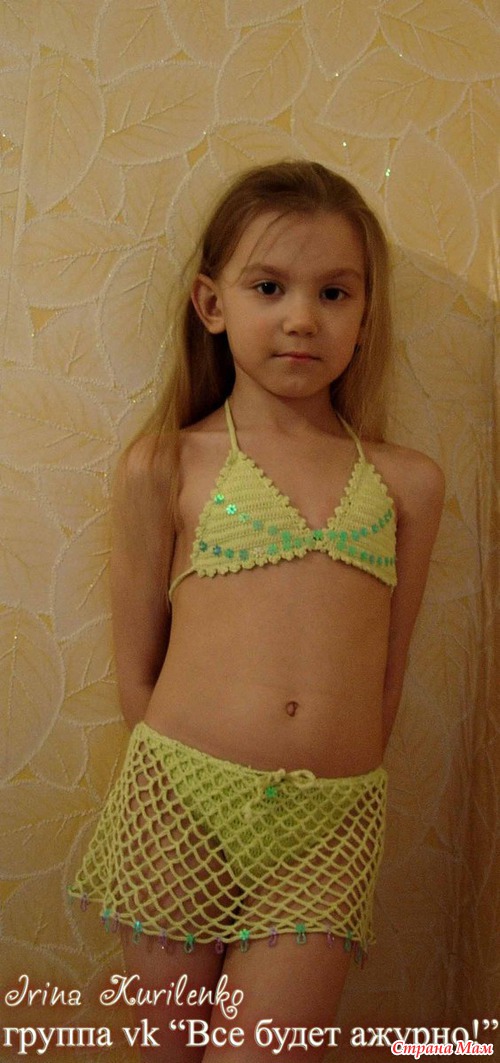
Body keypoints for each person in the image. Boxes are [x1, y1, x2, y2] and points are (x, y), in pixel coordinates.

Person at [69, 160, 445, 1061]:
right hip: (178, 807)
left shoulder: (408, 483)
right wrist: (188, 772)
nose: (302, 317)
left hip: (330, 828)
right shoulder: (166, 463)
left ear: (365, 314)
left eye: (334, 292)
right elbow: (137, 671)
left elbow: (389, 674)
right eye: (269, 287)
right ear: (212, 303)